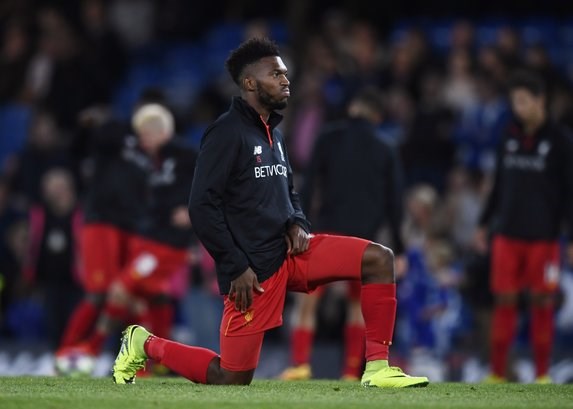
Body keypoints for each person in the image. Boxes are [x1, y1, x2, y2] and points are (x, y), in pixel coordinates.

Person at [112, 37, 429, 388]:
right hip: (254, 271)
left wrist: (297, 222)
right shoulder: (226, 133)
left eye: (285, 73)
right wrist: (235, 266)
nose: (285, 80)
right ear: (250, 83)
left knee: (379, 259)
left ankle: (377, 368)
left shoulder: (273, 134)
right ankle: (143, 343)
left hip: (292, 252)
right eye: (275, 74)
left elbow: (289, 191)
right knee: (232, 378)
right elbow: (201, 206)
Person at [279, 87, 406, 381]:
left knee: (308, 302)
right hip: (364, 239)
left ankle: (300, 364)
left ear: (353, 109)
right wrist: (398, 249)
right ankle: (350, 371)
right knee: (356, 306)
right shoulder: (386, 147)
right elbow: (395, 204)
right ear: (378, 116)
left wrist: (298, 226)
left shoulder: (328, 138)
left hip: (327, 232)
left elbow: (308, 187)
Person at [475, 71, 573, 383]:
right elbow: (499, 185)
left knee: (542, 302)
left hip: (544, 237)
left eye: (523, 101)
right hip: (507, 234)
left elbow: (570, 192)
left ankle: (542, 374)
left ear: (540, 101)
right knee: (504, 300)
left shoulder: (560, 141)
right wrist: (484, 223)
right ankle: (497, 372)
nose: (518, 108)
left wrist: (570, 236)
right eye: (514, 101)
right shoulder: (509, 136)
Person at [77, 103, 197, 358]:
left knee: (120, 290)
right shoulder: (153, 162)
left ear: (162, 132)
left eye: (145, 136)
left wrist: (193, 210)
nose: (141, 143)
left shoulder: (186, 155)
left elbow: (216, 185)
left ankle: (91, 348)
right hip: (151, 241)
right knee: (150, 297)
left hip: (165, 246)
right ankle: (160, 360)